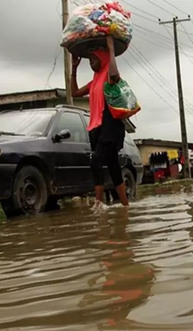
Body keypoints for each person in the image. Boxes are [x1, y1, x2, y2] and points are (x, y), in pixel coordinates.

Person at [72, 36, 129, 209]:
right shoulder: (94, 81)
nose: (91, 64)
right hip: (96, 127)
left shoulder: (108, 77)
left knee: (95, 161)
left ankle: (98, 203)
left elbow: (114, 74)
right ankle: (125, 205)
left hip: (110, 126)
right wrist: (74, 68)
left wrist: (111, 50)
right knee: (112, 165)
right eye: (89, 61)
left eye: (94, 60)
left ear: (103, 59)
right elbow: (74, 92)